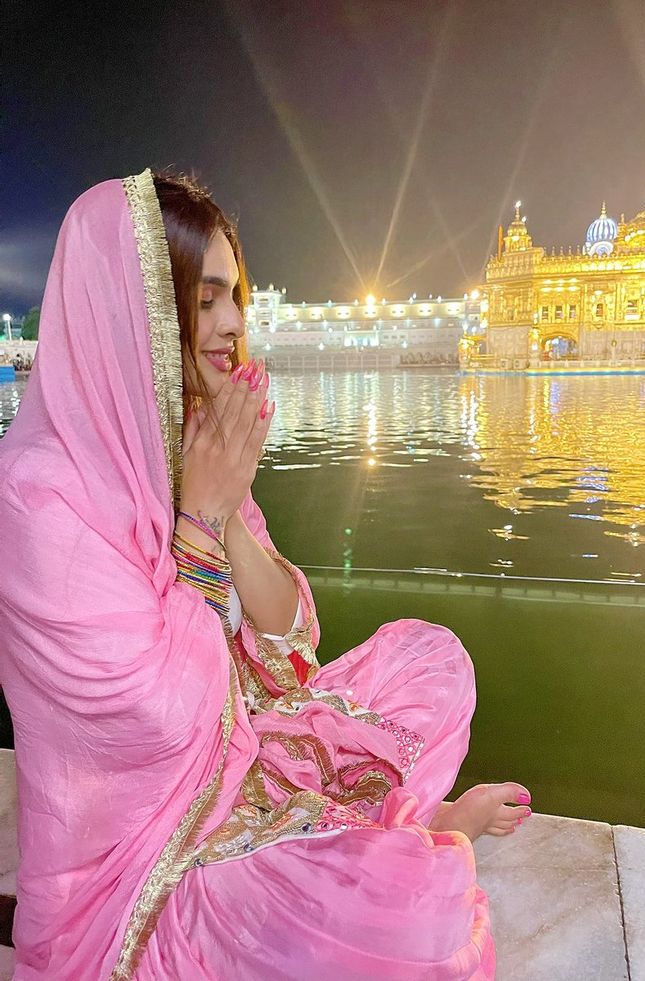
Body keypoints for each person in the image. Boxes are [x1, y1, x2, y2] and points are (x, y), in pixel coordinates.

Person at [0, 168, 531, 980]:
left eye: (235, 297)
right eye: (206, 299)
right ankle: (397, 836)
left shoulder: (198, 435)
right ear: (133, 307)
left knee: (433, 658)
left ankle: (391, 827)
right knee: (397, 910)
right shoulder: (41, 493)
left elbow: (292, 641)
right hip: (144, 862)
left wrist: (230, 497)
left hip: (240, 755)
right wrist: (200, 519)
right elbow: (159, 719)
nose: (234, 324)